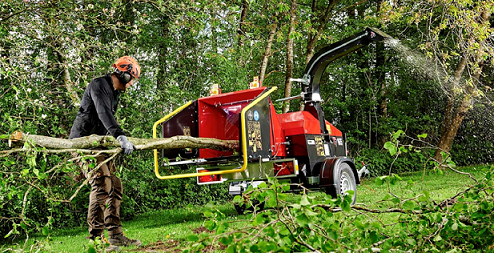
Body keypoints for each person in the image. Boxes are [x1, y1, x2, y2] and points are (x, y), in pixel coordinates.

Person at [69, 56, 142, 248]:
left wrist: (113, 141)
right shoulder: (99, 85)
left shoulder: (114, 93)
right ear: (124, 75)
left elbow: (104, 120)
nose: (132, 83)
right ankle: (95, 240)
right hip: (82, 143)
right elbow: (103, 113)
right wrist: (120, 136)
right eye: (132, 78)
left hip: (99, 144)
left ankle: (115, 235)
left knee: (115, 184)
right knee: (102, 182)